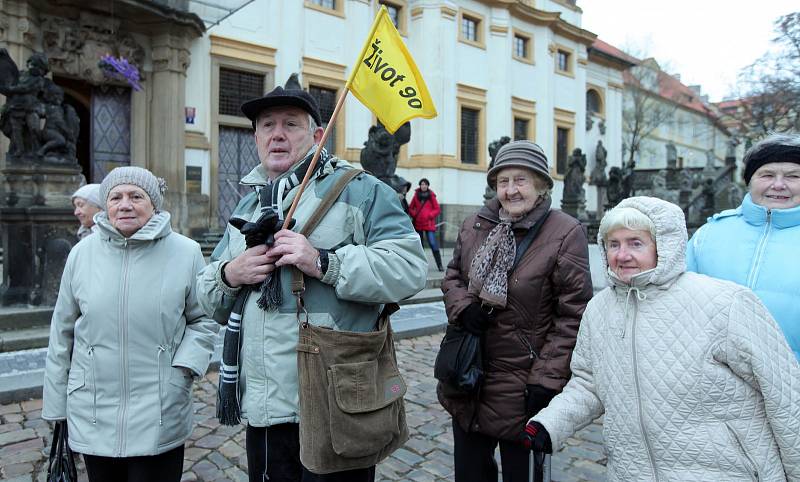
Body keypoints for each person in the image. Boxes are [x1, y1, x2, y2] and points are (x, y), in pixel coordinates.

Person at [196, 85, 427, 482]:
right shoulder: (249, 205)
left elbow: (408, 268)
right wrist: (230, 273)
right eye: (267, 125)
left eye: (291, 124)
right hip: (266, 407)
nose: (277, 134)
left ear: (318, 136)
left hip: (334, 402)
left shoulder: (362, 190)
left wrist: (324, 262)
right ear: (256, 138)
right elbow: (208, 295)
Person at [523, 196, 800, 480]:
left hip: (724, 471)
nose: (622, 255)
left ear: (664, 246)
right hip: (633, 473)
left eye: (636, 243)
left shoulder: (726, 303)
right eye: (613, 244)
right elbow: (590, 382)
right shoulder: (600, 308)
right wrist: (549, 424)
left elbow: (786, 397)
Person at [42, 166, 219, 482]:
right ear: (106, 204)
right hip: (94, 408)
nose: (125, 204)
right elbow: (62, 333)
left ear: (153, 204)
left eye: (136, 196)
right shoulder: (81, 255)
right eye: (116, 197)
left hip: (159, 408)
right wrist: (56, 407)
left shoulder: (186, 252)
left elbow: (202, 319)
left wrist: (183, 370)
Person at [439, 140, 592, 482]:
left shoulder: (565, 232)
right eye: (503, 181)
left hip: (523, 384)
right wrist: (464, 309)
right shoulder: (476, 224)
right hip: (470, 376)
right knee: (470, 473)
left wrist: (548, 377)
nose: (510, 191)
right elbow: (452, 277)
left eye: (520, 180)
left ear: (540, 184)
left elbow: (574, 313)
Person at [687, 133, 800, 361]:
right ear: (749, 180)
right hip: (715, 382)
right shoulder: (708, 235)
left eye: (793, 176)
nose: (778, 184)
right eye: (767, 174)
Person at [408, 178, 444, 271]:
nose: (423, 186)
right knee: (420, 246)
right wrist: (414, 214)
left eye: (425, 184)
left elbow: (437, 209)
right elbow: (411, 208)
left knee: (433, 243)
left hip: (428, 223)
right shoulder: (416, 196)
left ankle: (439, 265)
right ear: (420, 186)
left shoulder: (431, 196)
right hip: (418, 224)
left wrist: (430, 215)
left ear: (428, 186)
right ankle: (421, 266)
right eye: (422, 184)